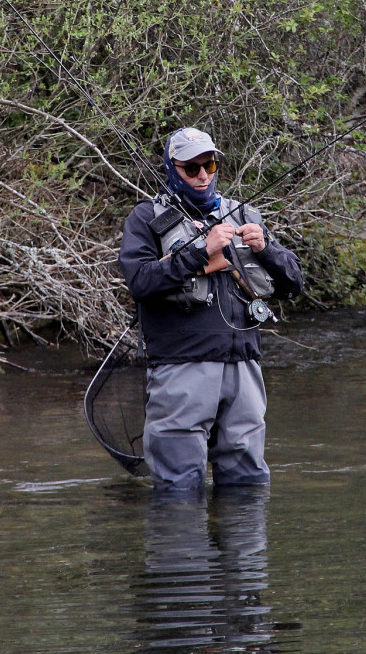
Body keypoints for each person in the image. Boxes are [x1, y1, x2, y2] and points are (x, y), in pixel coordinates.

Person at [118, 127, 304, 492]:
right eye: (191, 168)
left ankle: (245, 548)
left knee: (248, 484)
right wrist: (199, 252)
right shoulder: (146, 218)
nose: (203, 175)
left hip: (244, 368)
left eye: (210, 165)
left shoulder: (244, 215)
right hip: (181, 366)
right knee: (179, 487)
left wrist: (266, 249)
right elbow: (139, 281)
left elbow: (294, 284)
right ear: (172, 169)